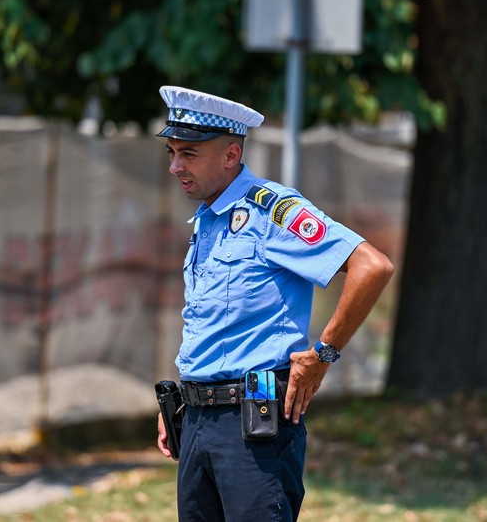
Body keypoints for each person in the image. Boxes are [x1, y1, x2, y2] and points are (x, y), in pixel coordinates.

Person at [153, 85, 394, 521]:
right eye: (171, 151)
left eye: (188, 153)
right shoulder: (207, 218)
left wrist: (324, 353)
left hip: (253, 431)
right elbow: (210, 319)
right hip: (197, 423)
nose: (174, 166)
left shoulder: (272, 212)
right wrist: (186, 391)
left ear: (230, 155)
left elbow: (371, 266)